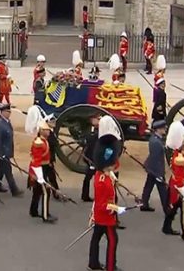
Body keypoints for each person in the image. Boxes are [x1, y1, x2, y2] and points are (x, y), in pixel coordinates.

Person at [87, 117, 124, 271]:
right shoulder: (104, 181)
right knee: (113, 241)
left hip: (101, 215)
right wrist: (117, 209)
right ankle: (110, 266)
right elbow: (104, 204)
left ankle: (93, 263)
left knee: (96, 238)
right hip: (106, 217)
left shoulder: (101, 176)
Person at [28, 114, 57, 223]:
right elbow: (36, 161)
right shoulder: (39, 143)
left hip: (44, 167)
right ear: (42, 131)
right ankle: (45, 215)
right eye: (47, 130)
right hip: (39, 169)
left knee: (37, 191)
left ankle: (33, 210)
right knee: (46, 192)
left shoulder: (44, 141)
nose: (49, 132)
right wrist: (40, 177)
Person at [0, 103, 22, 196]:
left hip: (7, 151)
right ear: (1, 112)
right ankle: (14, 190)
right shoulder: (0, 125)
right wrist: (1, 153)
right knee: (8, 171)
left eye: (9, 111)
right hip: (3, 152)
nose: (9, 113)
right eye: (7, 111)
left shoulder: (7, 122)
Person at [140, 120, 169, 213]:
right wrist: (159, 174)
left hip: (152, 168)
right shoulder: (156, 142)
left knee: (149, 185)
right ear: (158, 130)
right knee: (162, 190)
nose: (165, 129)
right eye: (163, 128)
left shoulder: (155, 139)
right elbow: (156, 159)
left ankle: (144, 203)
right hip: (156, 169)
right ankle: (167, 208)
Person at [81, 111, 101, 202]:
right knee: (89, 176)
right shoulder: (91, 131)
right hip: (91, 157)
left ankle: (87, 195)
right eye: (97, 119)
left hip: (95, 156)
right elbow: (89, 141)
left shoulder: (97, 130)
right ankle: (85, 195)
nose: (99, 120)